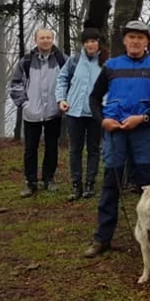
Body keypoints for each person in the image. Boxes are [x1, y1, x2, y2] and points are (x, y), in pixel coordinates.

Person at [84, 21, 150, 257]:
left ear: (147, 42)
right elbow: (94, 98)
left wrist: (144, 117)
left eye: (140, 38)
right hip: (115, 132)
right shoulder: (111, 66)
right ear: (124, 40)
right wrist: (102, 120)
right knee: (111, 185)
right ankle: (102, 238)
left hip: (145, 131)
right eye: (131, 37)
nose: (135, 41)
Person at [10, 27, 67, 197]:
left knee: (52, 147)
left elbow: (70, 81)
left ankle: (49, 179)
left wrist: (63, 101)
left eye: (48, 37)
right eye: (42, 38)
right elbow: (16, 84)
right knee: (30, 149)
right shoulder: (26, 61)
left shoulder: (62, 60)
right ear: (36, 40)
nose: (45, 40)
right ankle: (30, 182)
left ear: (52, 39)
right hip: (32, 113)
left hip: (53, 111)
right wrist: (24, 104)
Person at [55, 28, 106, 201]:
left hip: (96, 113)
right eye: (87, 41)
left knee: (94, 148)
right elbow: (62, 79)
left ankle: (90, 183)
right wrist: (61, 99)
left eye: (93, 41)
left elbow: (112, 85)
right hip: (74, 111)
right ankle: (76, 184)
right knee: (75, 149)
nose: (90, 44)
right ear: (83, 44)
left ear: (99, 43)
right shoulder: (74, 60)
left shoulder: (106, 62)